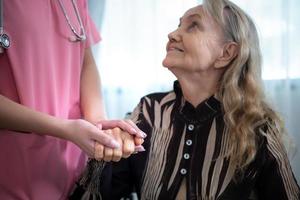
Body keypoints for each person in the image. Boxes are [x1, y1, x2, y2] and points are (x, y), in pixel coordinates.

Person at [71, 0, 300, 199]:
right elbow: (102, 192)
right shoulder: (150, 110)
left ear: (226, 53)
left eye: (194, 26)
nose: (173, 34)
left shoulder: (257, 125)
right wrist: (108, 149)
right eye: (179, 24)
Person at [0, 0, 145, 199]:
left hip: (74, 172)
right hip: (15, 172)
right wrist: (65, 129)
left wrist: (99, 124)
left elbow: (85, 60)